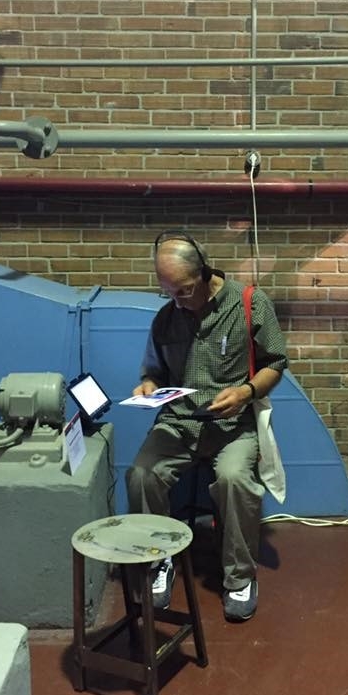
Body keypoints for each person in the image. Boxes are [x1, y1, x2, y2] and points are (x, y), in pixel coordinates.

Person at [126, 231, 288, 622]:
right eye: (168, 292)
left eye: (183, 291)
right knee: (142, 474)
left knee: (234, 479)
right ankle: (158, 561)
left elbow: (276, 363)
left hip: (232, 425)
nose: (176, 300)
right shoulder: (166, 319)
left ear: (204, 273)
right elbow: (153, 370)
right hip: (178, 422)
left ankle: (240, 577)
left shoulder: (249, 303)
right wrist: (148, 385)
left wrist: (246, 392)